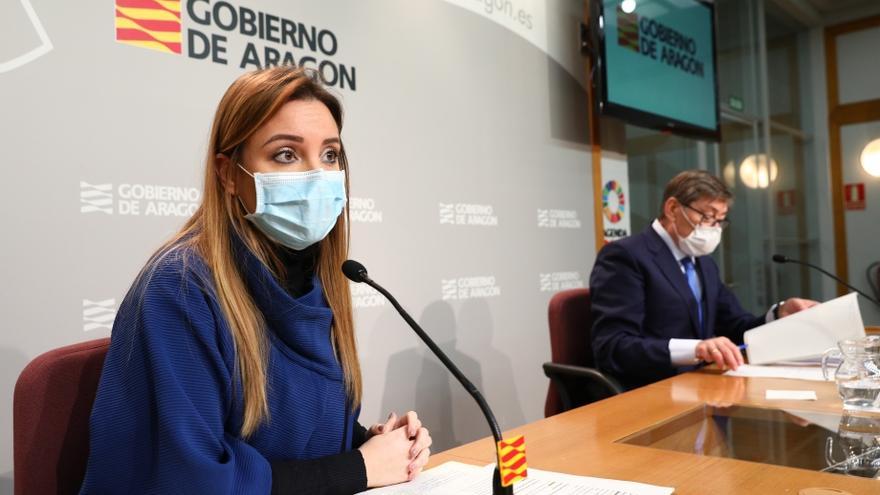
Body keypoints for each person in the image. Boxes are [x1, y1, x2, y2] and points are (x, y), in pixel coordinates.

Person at [81, 66, 432, 494]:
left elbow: (282, 432)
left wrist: (375, 445)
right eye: (286, 154)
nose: (316, 174)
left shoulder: (315, 279)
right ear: (229, 174)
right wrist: (357, 469)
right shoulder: (181, 289)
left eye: (330, 155)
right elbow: (195, 480)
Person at [589, 170, 817, 390]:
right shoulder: (626, 256)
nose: (713, 229)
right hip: (652, 390)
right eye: (707, 217)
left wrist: (778, 314)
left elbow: (735, 327)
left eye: (720, 221)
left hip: (703, 386)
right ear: (672, 208)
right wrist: (695, 349)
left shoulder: (703, 262)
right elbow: (613, 346)